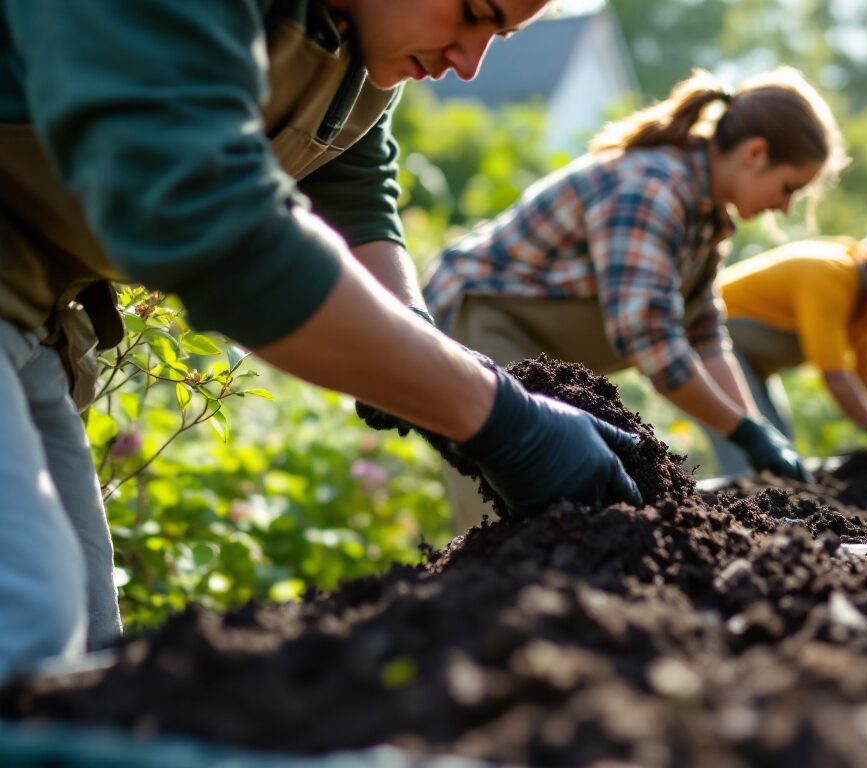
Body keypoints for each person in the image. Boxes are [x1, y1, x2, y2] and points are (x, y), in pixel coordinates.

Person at [0, 0, 643, 681]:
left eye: (500, 34)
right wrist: (497, 416)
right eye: (472, 10)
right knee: (27, 626)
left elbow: (352, 186)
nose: (469, 61)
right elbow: (210, 219)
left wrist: (425, 361)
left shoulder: (362, 34)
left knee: (80, 657)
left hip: (27, 312)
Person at [423, 67, 850, 531]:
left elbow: (706, 337)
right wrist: (744, 431)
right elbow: (653, 345)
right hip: (479, 318)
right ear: (755, 153)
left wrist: (759, 432)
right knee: (510, 507)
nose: (784, 207)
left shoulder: (707, 221)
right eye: (788, 188)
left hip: (543, 346)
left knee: (579, 502)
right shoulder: (652, 189)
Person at [708, 215, 867, 475]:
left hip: (748, 361)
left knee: (781, 448)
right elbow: (836, 378)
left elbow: (866, 378)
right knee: (753, 461)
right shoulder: (831, 275)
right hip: (711, 346)